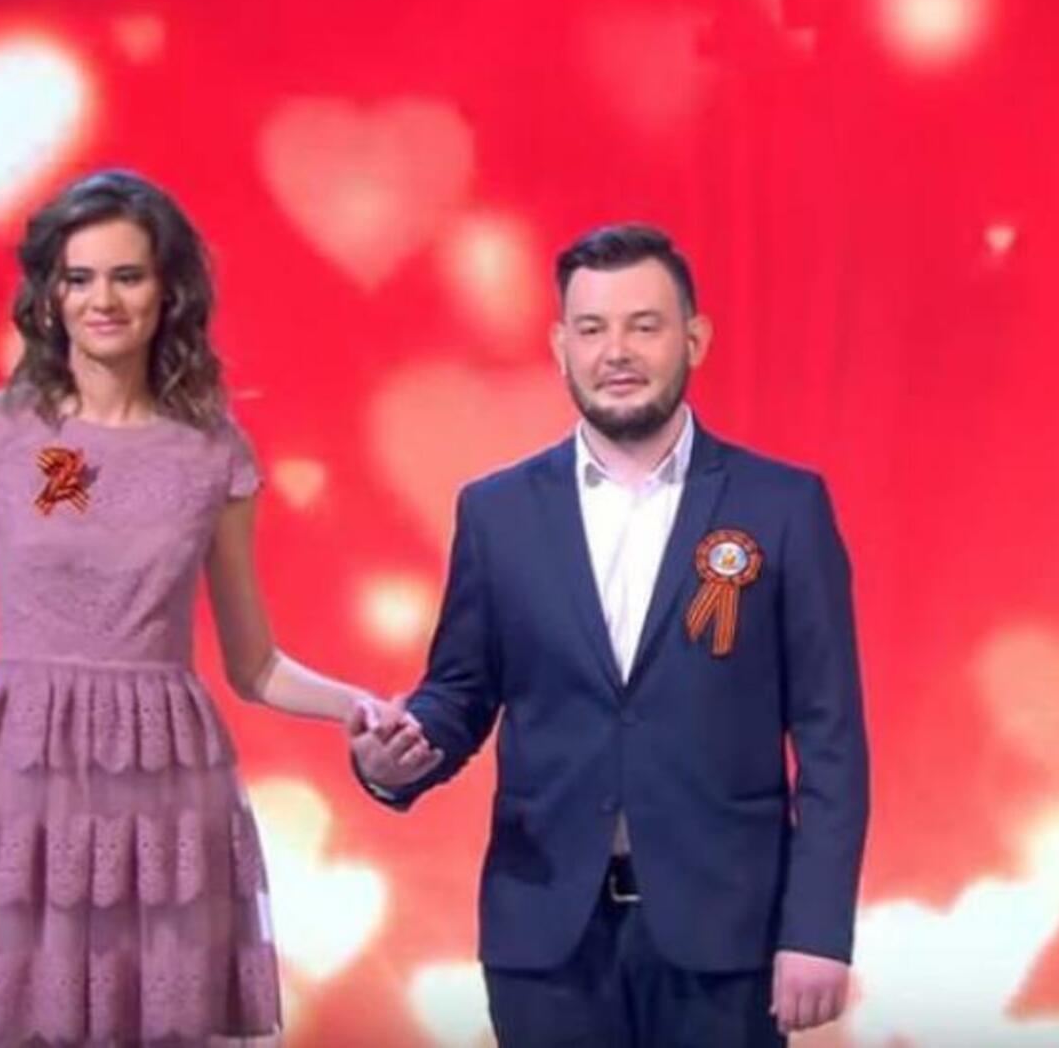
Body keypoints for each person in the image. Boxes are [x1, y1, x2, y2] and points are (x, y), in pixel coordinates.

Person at [351, 223, 869, 1046]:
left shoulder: (782, 506)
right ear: (562, 347)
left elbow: (830, 737)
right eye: (592, 329)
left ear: (694, 338)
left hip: (726, 939)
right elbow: (460, 691)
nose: (616, 352)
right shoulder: (497, 512)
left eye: (643, 326)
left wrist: (817, 929)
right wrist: (396, 761)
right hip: (547, 942)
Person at [0, 170, 393, 1044]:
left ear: (167, 290)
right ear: (50, 294)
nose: (102, 300)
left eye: (127, 276)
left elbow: (255, 664)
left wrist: (358, 706)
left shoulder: (213, 452)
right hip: (25, 797)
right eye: (79, 278)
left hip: (166, 800)